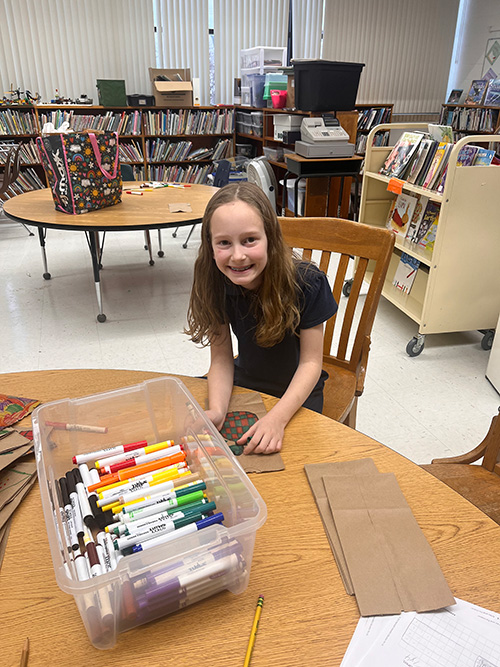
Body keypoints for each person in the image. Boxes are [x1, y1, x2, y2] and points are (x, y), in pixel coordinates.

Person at [185, 182, 337, 455]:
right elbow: (220, 358)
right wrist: (218, 409)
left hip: (298, 391)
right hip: (246, 379)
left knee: (289, 461)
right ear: (209, 245)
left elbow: (311, 363)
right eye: (223, 243)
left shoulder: (308, 283)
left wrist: (277, 419)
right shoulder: (215, 282)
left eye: (249, 240)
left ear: (270, 237)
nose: (238, 255)